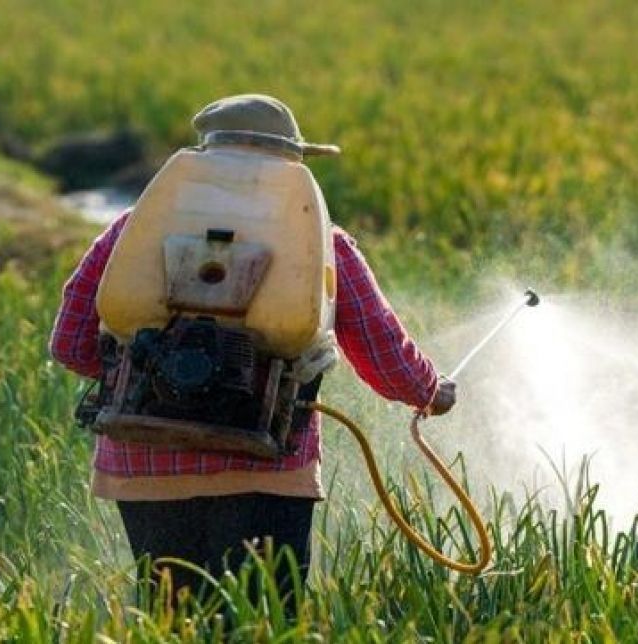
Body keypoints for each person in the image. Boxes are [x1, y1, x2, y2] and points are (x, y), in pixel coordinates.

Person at [49, 94, 456, 611]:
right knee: (265, 620)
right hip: (266, 467)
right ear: (291, 165)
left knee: (174, 622)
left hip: (143, 468)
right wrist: (430, 391)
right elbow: (383, 351)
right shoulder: (323, 245)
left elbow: (70, 342)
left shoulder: (132, 230)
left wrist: (150, 367)